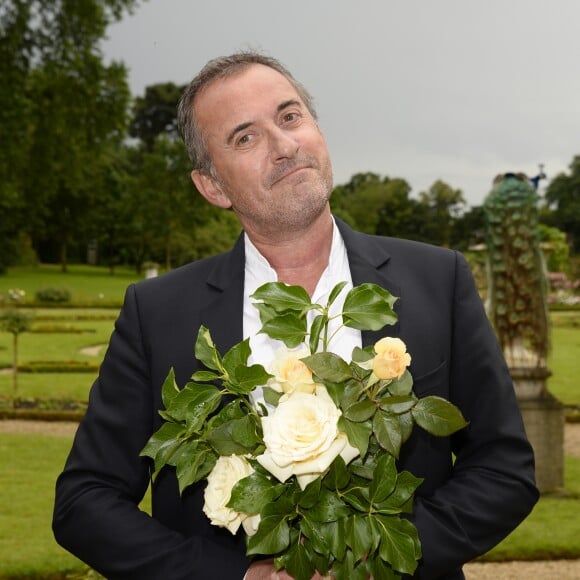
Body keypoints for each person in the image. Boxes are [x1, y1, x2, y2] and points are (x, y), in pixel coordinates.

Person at [53, 52, 539, 580]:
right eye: (246, 137)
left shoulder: (438, 280)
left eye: (290, 117)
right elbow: (85, 501)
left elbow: (504, 469)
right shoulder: (157, 313)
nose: (285, 146)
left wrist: (373, 554)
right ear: (212, 185)